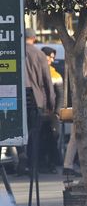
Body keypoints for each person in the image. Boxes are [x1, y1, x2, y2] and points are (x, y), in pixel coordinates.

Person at [19, 28, 55, 175]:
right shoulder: (40, 55)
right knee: (34, 134)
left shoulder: (15, 52)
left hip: (17, 98)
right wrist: (51, 104)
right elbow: (47, 81)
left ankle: (22, 159)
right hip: (35, 99)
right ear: (34, 38)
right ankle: (32, 166)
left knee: (19, 132)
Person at [39, 47, 64, 171]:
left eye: (53, 57)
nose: (51, 60)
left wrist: (57, 112)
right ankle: (43, 163)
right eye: (50, 56)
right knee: (41, 138)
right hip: (40, 111)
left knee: (54, 136)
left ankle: (51, 163)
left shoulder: (55, 74)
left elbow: (60, 95)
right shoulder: (36, 71)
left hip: (51, 113)